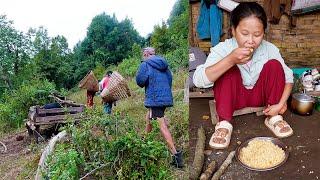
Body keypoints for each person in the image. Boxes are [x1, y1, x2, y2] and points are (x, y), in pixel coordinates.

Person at [193, 2, 294, 149]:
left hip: (262, 99)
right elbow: (198, 80)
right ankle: (224, 124)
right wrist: (230, 60)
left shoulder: (269, 49)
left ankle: (273, 118)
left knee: (274, 65)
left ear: (263, 33)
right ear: (233, 30)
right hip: (233, 100)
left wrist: (279, 105)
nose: (251, 40)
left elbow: (288, 78)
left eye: (257, 34)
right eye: (245, 34)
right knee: (227, 68)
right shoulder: (223, 48)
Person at [136, 47, 183, 168]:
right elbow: (169, 79)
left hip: (155, 99)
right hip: (164, 98)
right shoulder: (164, 64)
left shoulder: (145, 64)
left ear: (146, 54)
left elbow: (140, 81)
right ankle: (144, 144)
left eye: (143, 54)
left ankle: (176, 156)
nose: (143, 56)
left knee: (161, 125)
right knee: (149, 118)